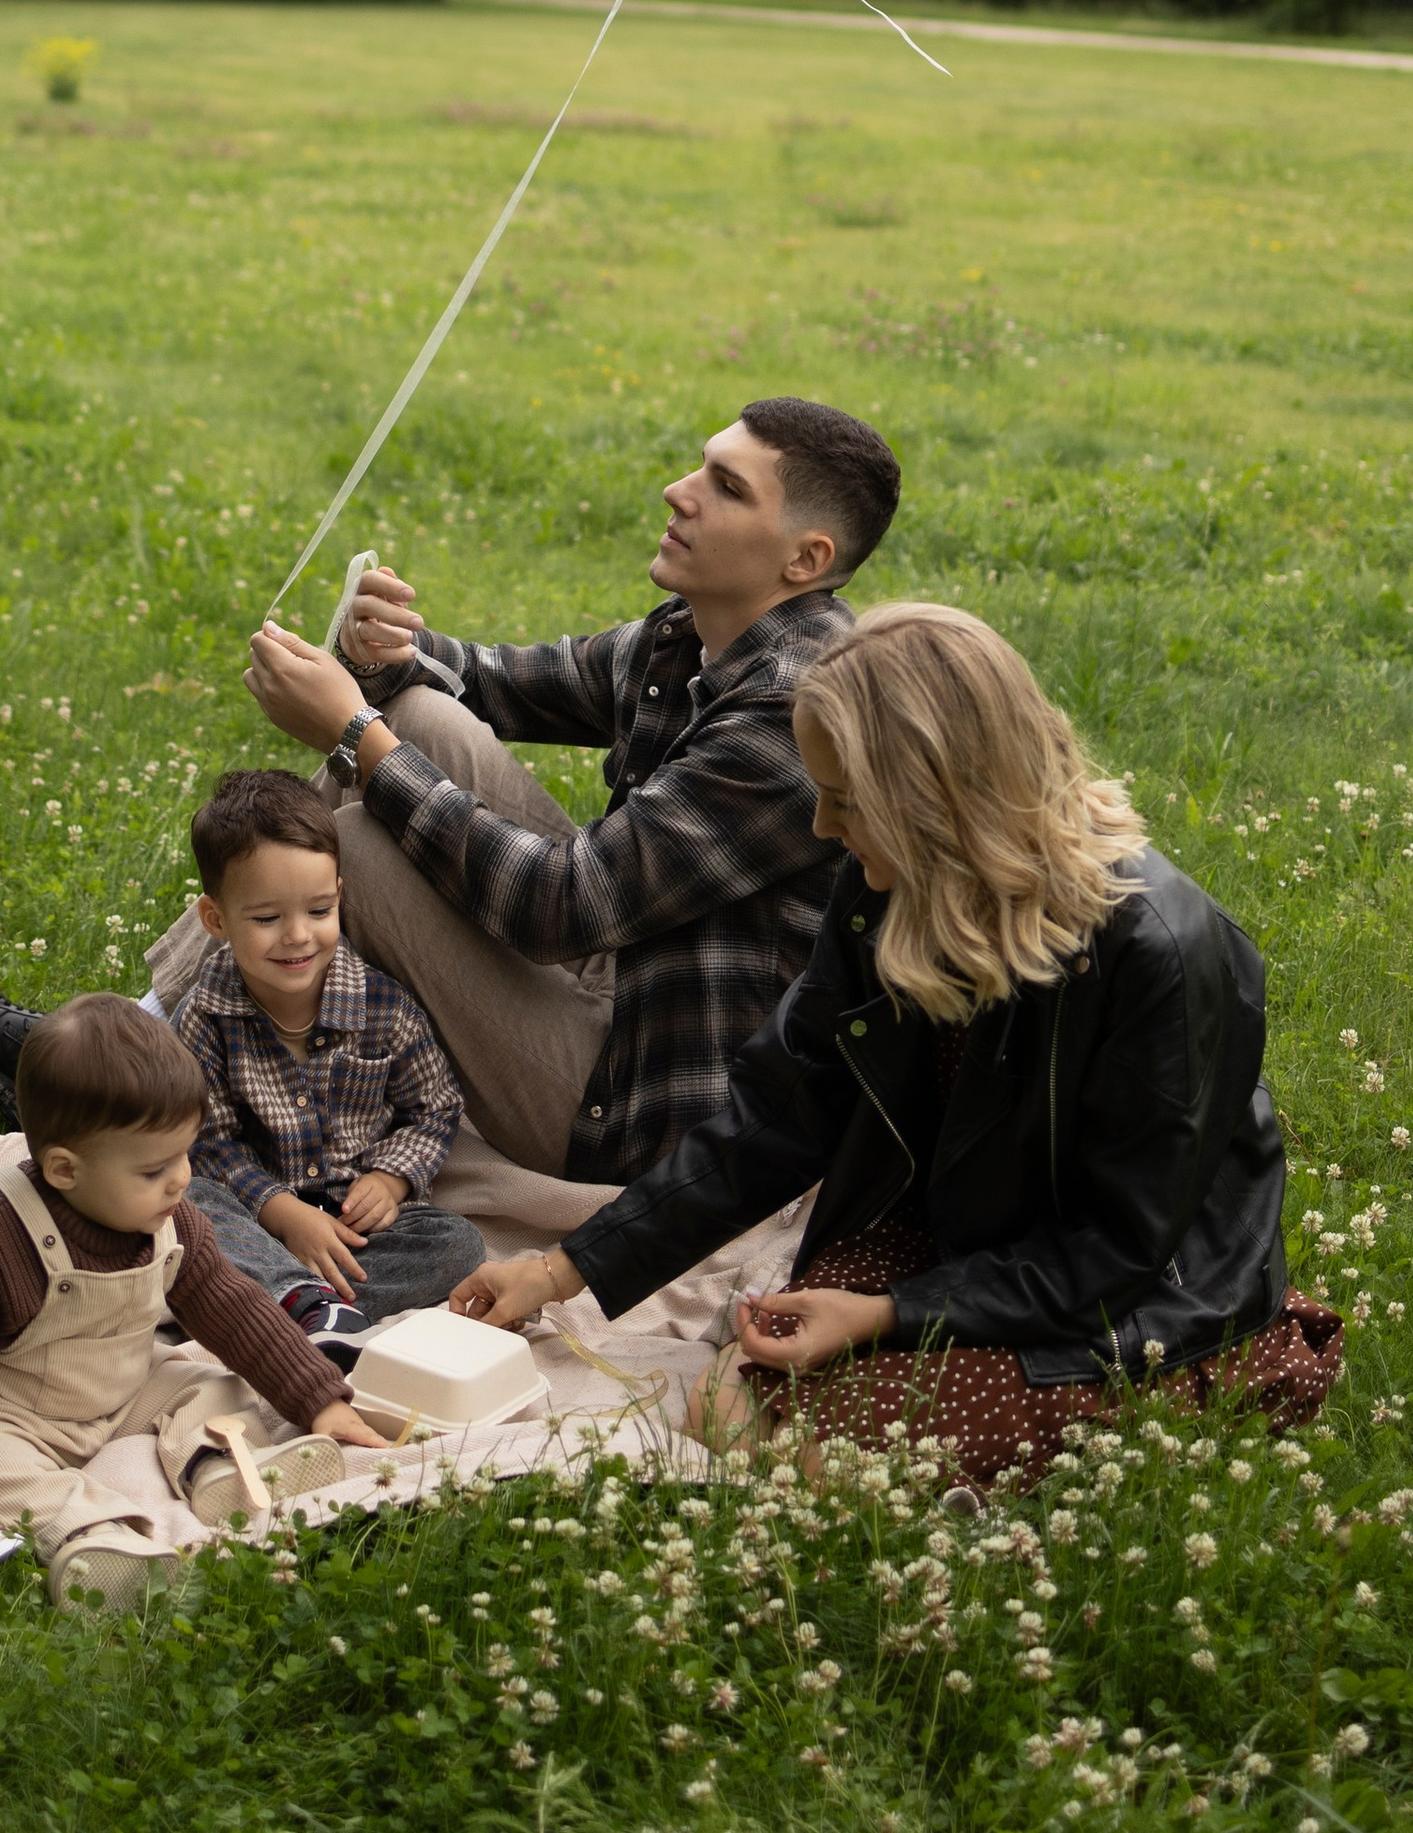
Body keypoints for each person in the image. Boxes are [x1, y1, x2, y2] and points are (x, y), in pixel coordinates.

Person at [0, 396, 904, 1185]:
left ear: (804, 558)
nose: (676, 490)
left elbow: (562, 906)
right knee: (421, 726)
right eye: (699, 463)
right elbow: (493, 681)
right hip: (623, 984)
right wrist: (390, 655)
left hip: (645, 1108)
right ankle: (137, 1043)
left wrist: (351, 725)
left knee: (367, 845)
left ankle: (110, 1076)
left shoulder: (788, 714)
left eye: (724, 487)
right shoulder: (688, 633)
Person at [451, 603, 1341, 1481]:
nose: (823, 828)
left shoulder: (1164, 954)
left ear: (938, 800)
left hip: (1127, 1295)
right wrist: (566, 1269)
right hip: (956, 1239)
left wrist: (885, 1314)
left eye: (846, 800)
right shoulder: (886, 890)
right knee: (745, 1377)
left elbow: (1118, 1252)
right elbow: (778, 1117)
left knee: (819, 1441)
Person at [0, 996, 380, 1606]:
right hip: (18, 1407)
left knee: (211, 1382)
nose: (181, 1179)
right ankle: (93, 1536)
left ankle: (219, 1469)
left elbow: (235, 1309)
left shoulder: (173, 1222)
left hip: (123, 1388)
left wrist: (316, 1397)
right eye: (154, 1169)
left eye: (184, 1154)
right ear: (66, 1170)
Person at [168, 770, 488, 1366]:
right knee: (188, 1206)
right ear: (215, 919)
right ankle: (294, 1298)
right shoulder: (204, 1018)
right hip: (256, 1214)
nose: (297, 937)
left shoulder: (382, 1007)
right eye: (265, 919)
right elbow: (206, 1143)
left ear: (340, 893)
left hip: (352, 1226)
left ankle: (284, 1305)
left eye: (319, 910)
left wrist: (392, 1178)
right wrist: (281, 1213)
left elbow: (436, 1106)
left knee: (457, 1244)